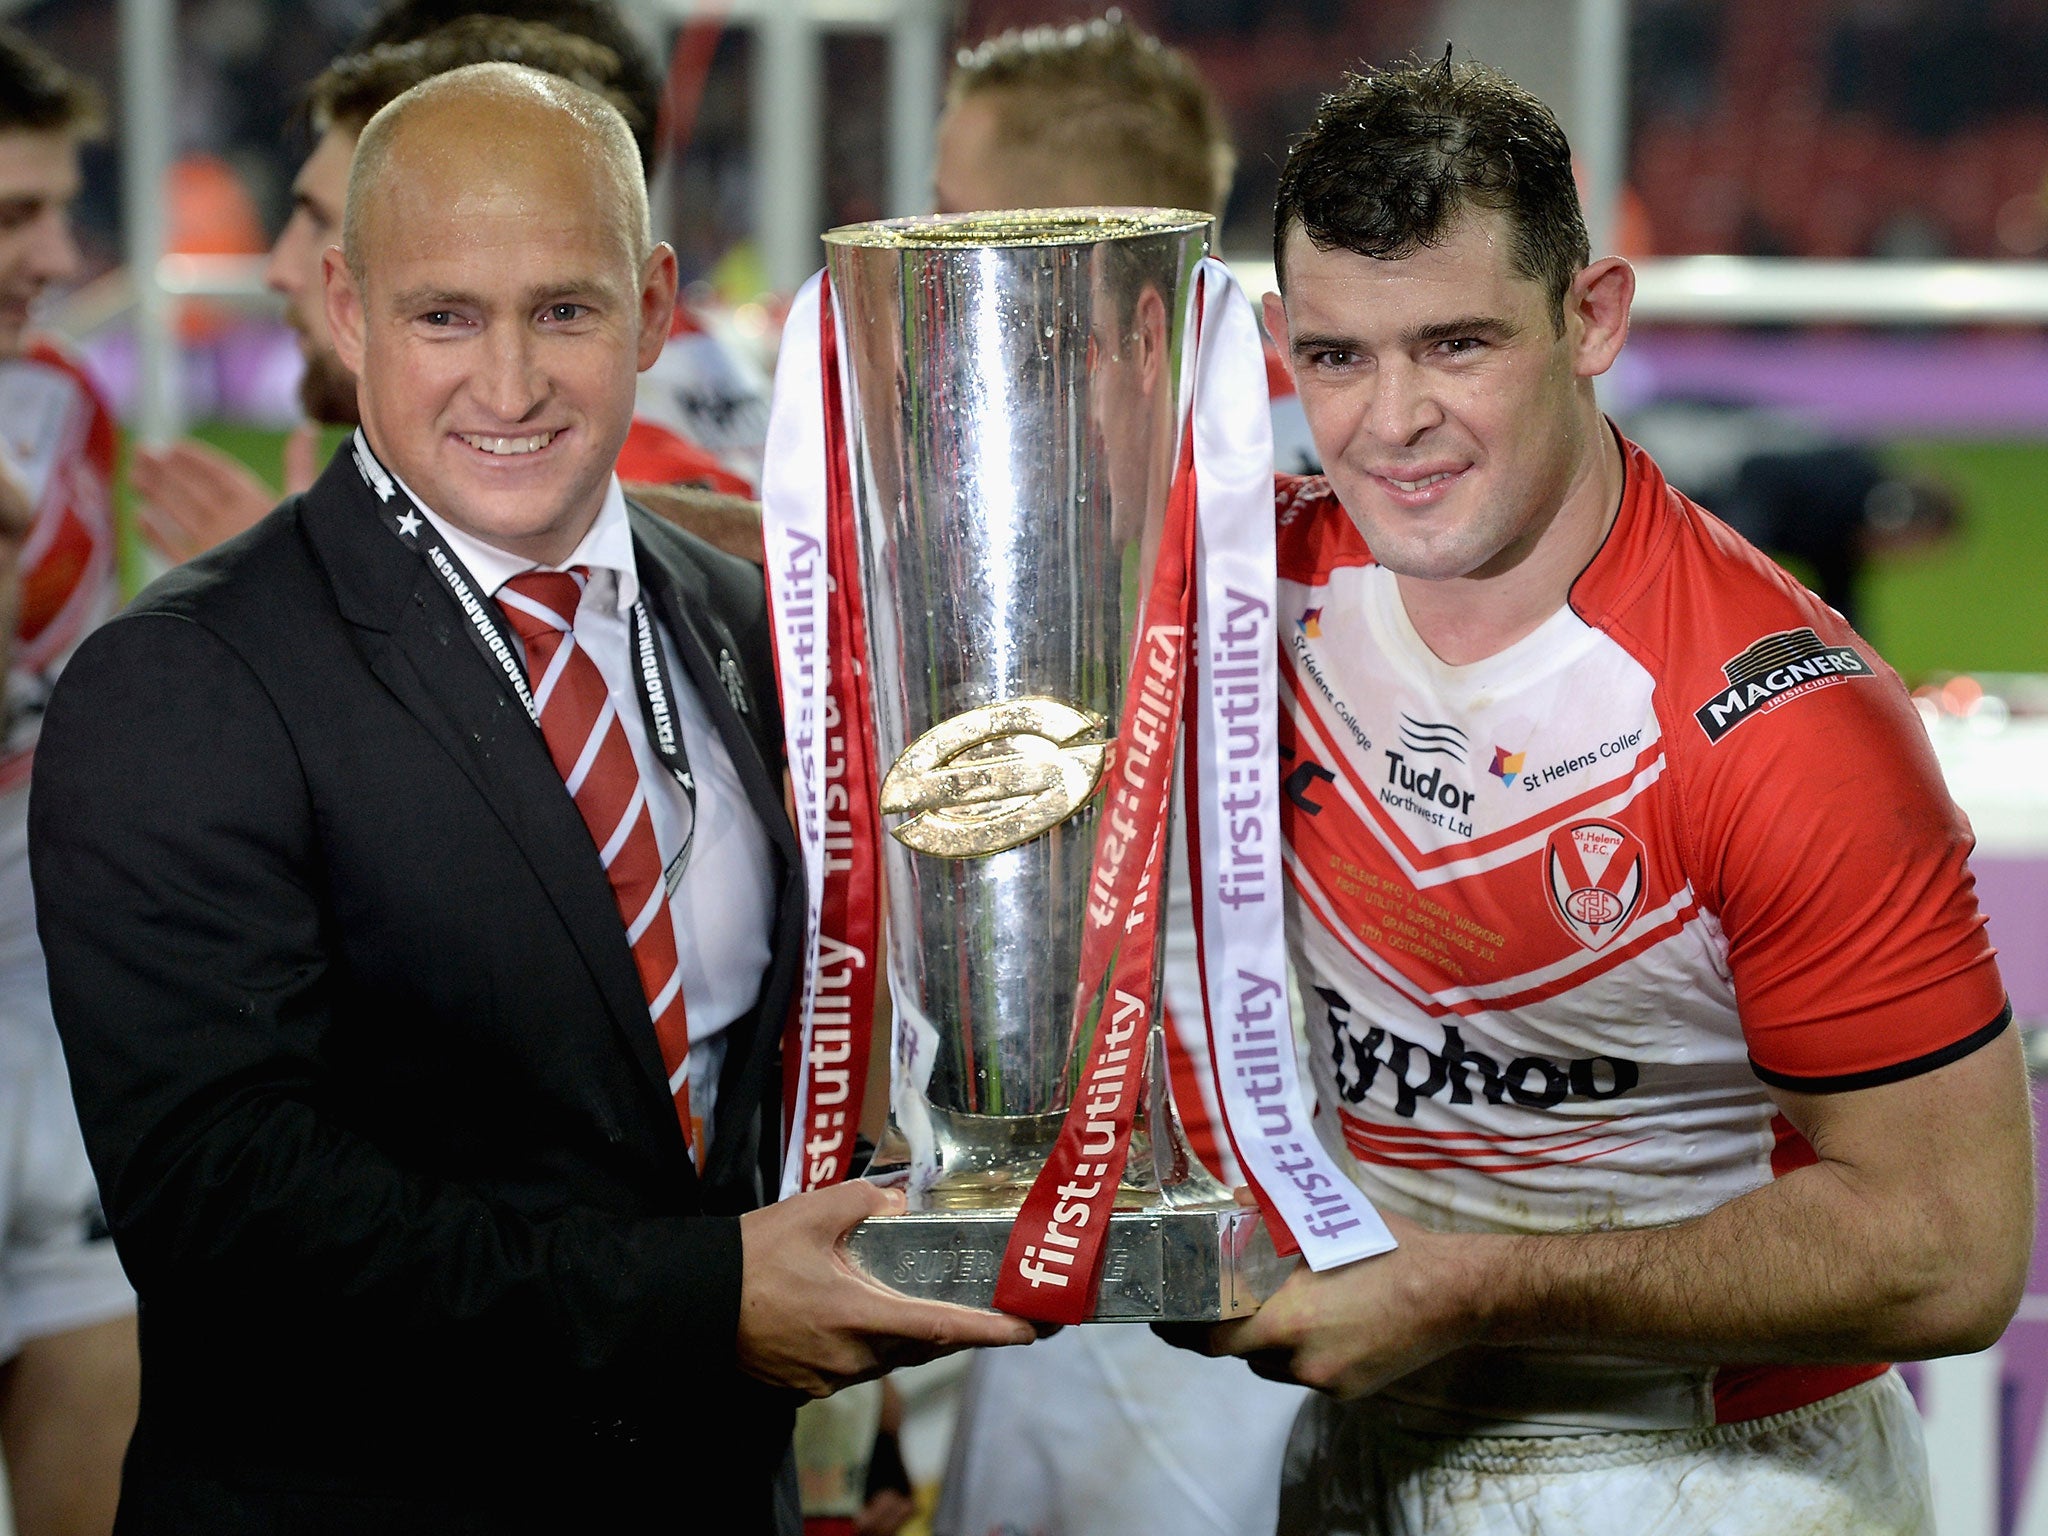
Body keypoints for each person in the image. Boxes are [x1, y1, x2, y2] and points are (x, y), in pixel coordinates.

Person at [30, 63, 1029, 1534]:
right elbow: (226, 1212)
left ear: (655, 299)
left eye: (563, 309)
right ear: (349, 309)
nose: (509, 385)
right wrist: (706, 1303)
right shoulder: (183, 680)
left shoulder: (747, 625)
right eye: (447, 317)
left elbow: (751, 1100)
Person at [1165, 55, 2032, 1535]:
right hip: (1356, 1447)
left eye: (1456, 345)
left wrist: (1476, 1284)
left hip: (1723, 1475)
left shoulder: (1784, 722)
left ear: (1592, 320)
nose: (1392, 424)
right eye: (1338, 357)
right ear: (1275, 345)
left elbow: (1953, 1251)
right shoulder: (1236, 591)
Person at [928, 18, 1310, 1536]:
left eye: (945, 215)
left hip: (1172, 1273)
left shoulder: (1099, 553)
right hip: (1149, 1247)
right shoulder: (1301, 494)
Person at [132, 2, 766, 565]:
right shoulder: (708, 369)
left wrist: (315, 592)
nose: (282, 267)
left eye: (328, 219)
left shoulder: (558, 469)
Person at [0, 28, 137, 1536]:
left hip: (46, 1008)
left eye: (53, 204)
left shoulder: (55, 401)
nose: (56, 249)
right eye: (9, 217)